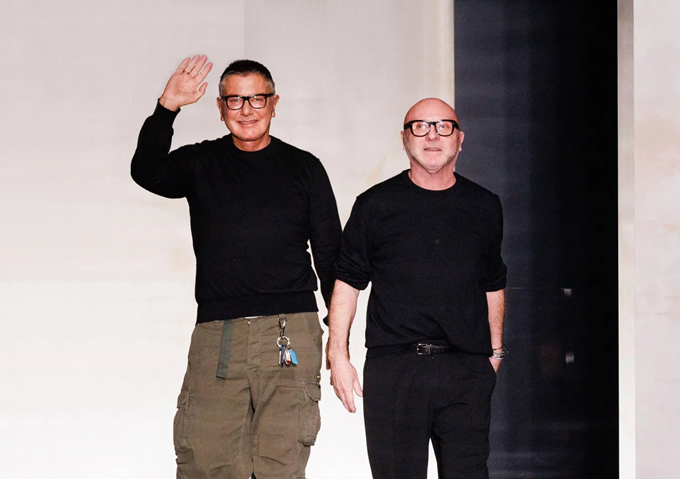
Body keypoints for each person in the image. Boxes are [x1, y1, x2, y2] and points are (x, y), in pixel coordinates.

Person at [131, 55, 341, 479]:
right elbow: (147, 171)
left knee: (281, 466)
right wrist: (167, 106)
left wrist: (339, 338)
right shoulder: (201, 162)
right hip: (219, 331)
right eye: (235, 100)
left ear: (274, 103)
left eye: (257, 99)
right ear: (220, 107)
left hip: (291, 329)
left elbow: (330, 255)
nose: (247, 110)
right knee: (207, 462)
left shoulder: (304, 167)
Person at [327, 98, 507, 479]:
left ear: (460, 139)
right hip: (395, 370)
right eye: (420, 127)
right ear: (404, 139)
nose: (432, 136)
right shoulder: (375, 205)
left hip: (465, 369)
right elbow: (348, 282)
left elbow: (493, 283)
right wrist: (337, 355)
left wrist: (494, 353)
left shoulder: (484, 206)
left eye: (443, 126)